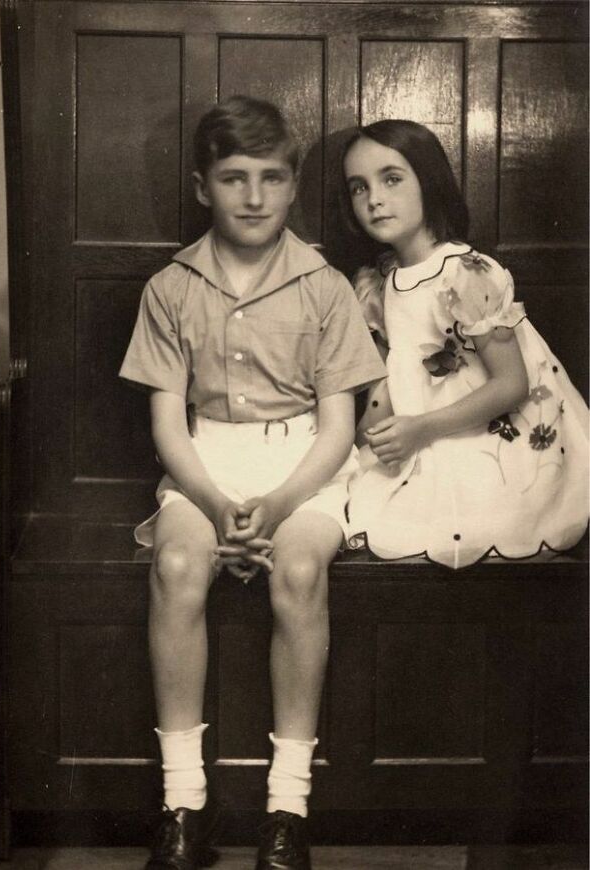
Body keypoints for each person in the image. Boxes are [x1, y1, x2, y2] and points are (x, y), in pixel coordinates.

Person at [120, 95, 386, 870]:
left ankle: (286, 809)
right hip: (204, 464)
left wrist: (274, 506)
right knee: (174, 566)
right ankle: (182, 804)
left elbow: (338, 428)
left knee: (299, 571)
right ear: (204, 187)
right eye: (233, 179)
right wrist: (213, 502)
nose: (254, 197)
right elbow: (168, 425)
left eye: (271, 178)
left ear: (294, 184)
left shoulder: (325, 286)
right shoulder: (170, 288)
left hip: (302, 463)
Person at [342, 119, 589, 569]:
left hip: (486, 429)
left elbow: (511, 384)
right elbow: (388, 378)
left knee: (467, 519)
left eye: (391, 179)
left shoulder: (466, 272)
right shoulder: (379, 279)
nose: (374, 199)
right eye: (359, 188)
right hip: (419, 427)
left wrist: (420, 430)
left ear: (429, 181)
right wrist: (357, 445)